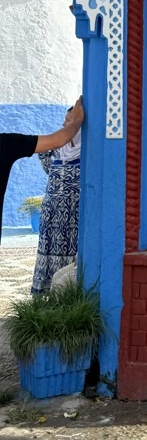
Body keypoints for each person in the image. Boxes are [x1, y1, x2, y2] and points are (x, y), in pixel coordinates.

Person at [0, 97, 84, 245]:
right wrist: (77, 120)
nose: (63, 123)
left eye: (67, 120)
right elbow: (58, 140)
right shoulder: (6, 143)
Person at [31, 106, 82, 293]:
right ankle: (47, 296)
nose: (64, 124)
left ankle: (66, 297)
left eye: (69, 121)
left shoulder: (89, 155)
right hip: (51, 214)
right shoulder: (54, 152)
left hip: (73, 216)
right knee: (47, 253)